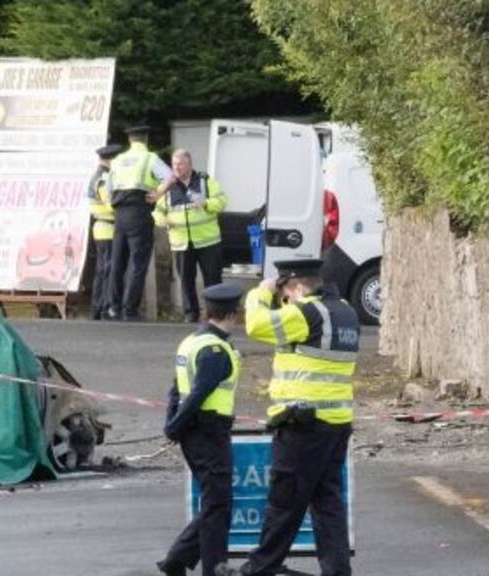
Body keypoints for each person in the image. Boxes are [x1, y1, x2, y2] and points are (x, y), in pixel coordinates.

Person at [216, 259, 359, 576]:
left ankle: (259, 567)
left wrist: (260, 293)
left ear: (294, 286)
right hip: (336, 422)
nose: (285, 301)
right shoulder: (346, 310)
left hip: (303, 422)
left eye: (285, 294)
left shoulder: (306, 312)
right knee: (328, 502)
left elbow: (256, 326)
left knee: (284, 501)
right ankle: (337, 570)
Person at [158, 283, 245, 576]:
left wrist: (172, 423)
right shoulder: (214, 350)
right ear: (232, 313)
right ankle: (214, 567)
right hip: (208, 431)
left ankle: (178, 558)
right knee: (218, 502)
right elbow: (198, 394)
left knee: (215, 499)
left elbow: (175, 389)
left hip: (196, 431)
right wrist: (174, 427)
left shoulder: (190, 342)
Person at [105, 124, 174, 321]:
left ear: (130, 140)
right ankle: (130, 309)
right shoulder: (149, 158)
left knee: (118, 261)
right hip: (139, 211)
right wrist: (158, 193)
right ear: (145, 139)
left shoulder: (117, 160)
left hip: (120, 214)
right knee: (138, 263)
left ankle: (114, 308)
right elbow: (170, 177)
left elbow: (108, 190)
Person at [154, 149, 227, 323]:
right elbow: (157, 211)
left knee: (213, 279)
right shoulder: (167, 186)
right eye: (174, 164)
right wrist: (162, 220)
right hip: (181, 243)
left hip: (208, 241)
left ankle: (215, 314)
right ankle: (190, 313)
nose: (177, 168)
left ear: (190, 164)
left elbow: (222, 201)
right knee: (186, 281)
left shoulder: (205, 180)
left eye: (180, 164)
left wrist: (206, 203)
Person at [88, 144, 123, 320]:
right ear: (112, 160)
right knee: (107, 271)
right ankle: (103, 307)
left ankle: (97, 308)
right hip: (107, 228)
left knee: (103, 270)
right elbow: (111, 204)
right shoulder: (103, 178)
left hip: (103, 228)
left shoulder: (98, 175)